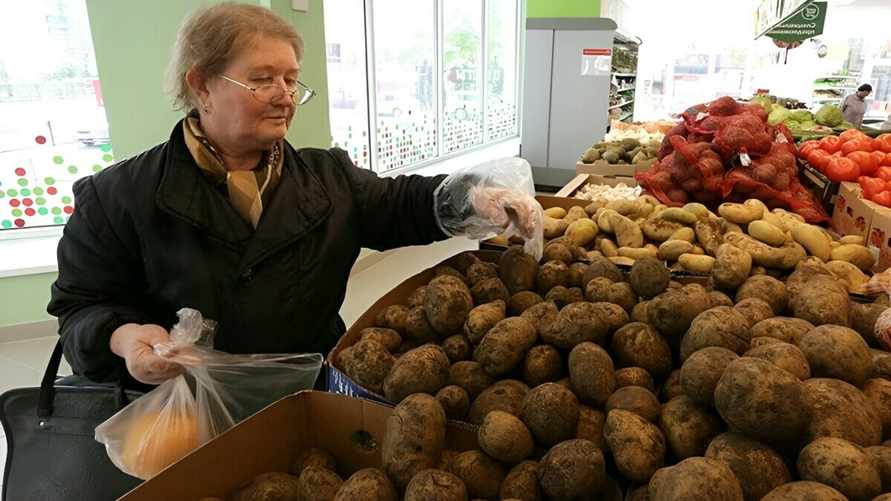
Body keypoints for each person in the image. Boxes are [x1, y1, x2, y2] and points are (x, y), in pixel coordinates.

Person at [47, 4, 540, 388]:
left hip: (309, 386)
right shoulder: (117, 196)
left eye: (291, 79)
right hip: (183, 407)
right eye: (263, 79)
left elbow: (402, 203)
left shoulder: (327, 177)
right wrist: (124, 339)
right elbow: (81, 307)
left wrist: (477, 197)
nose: (285, 95)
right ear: (200, 85)